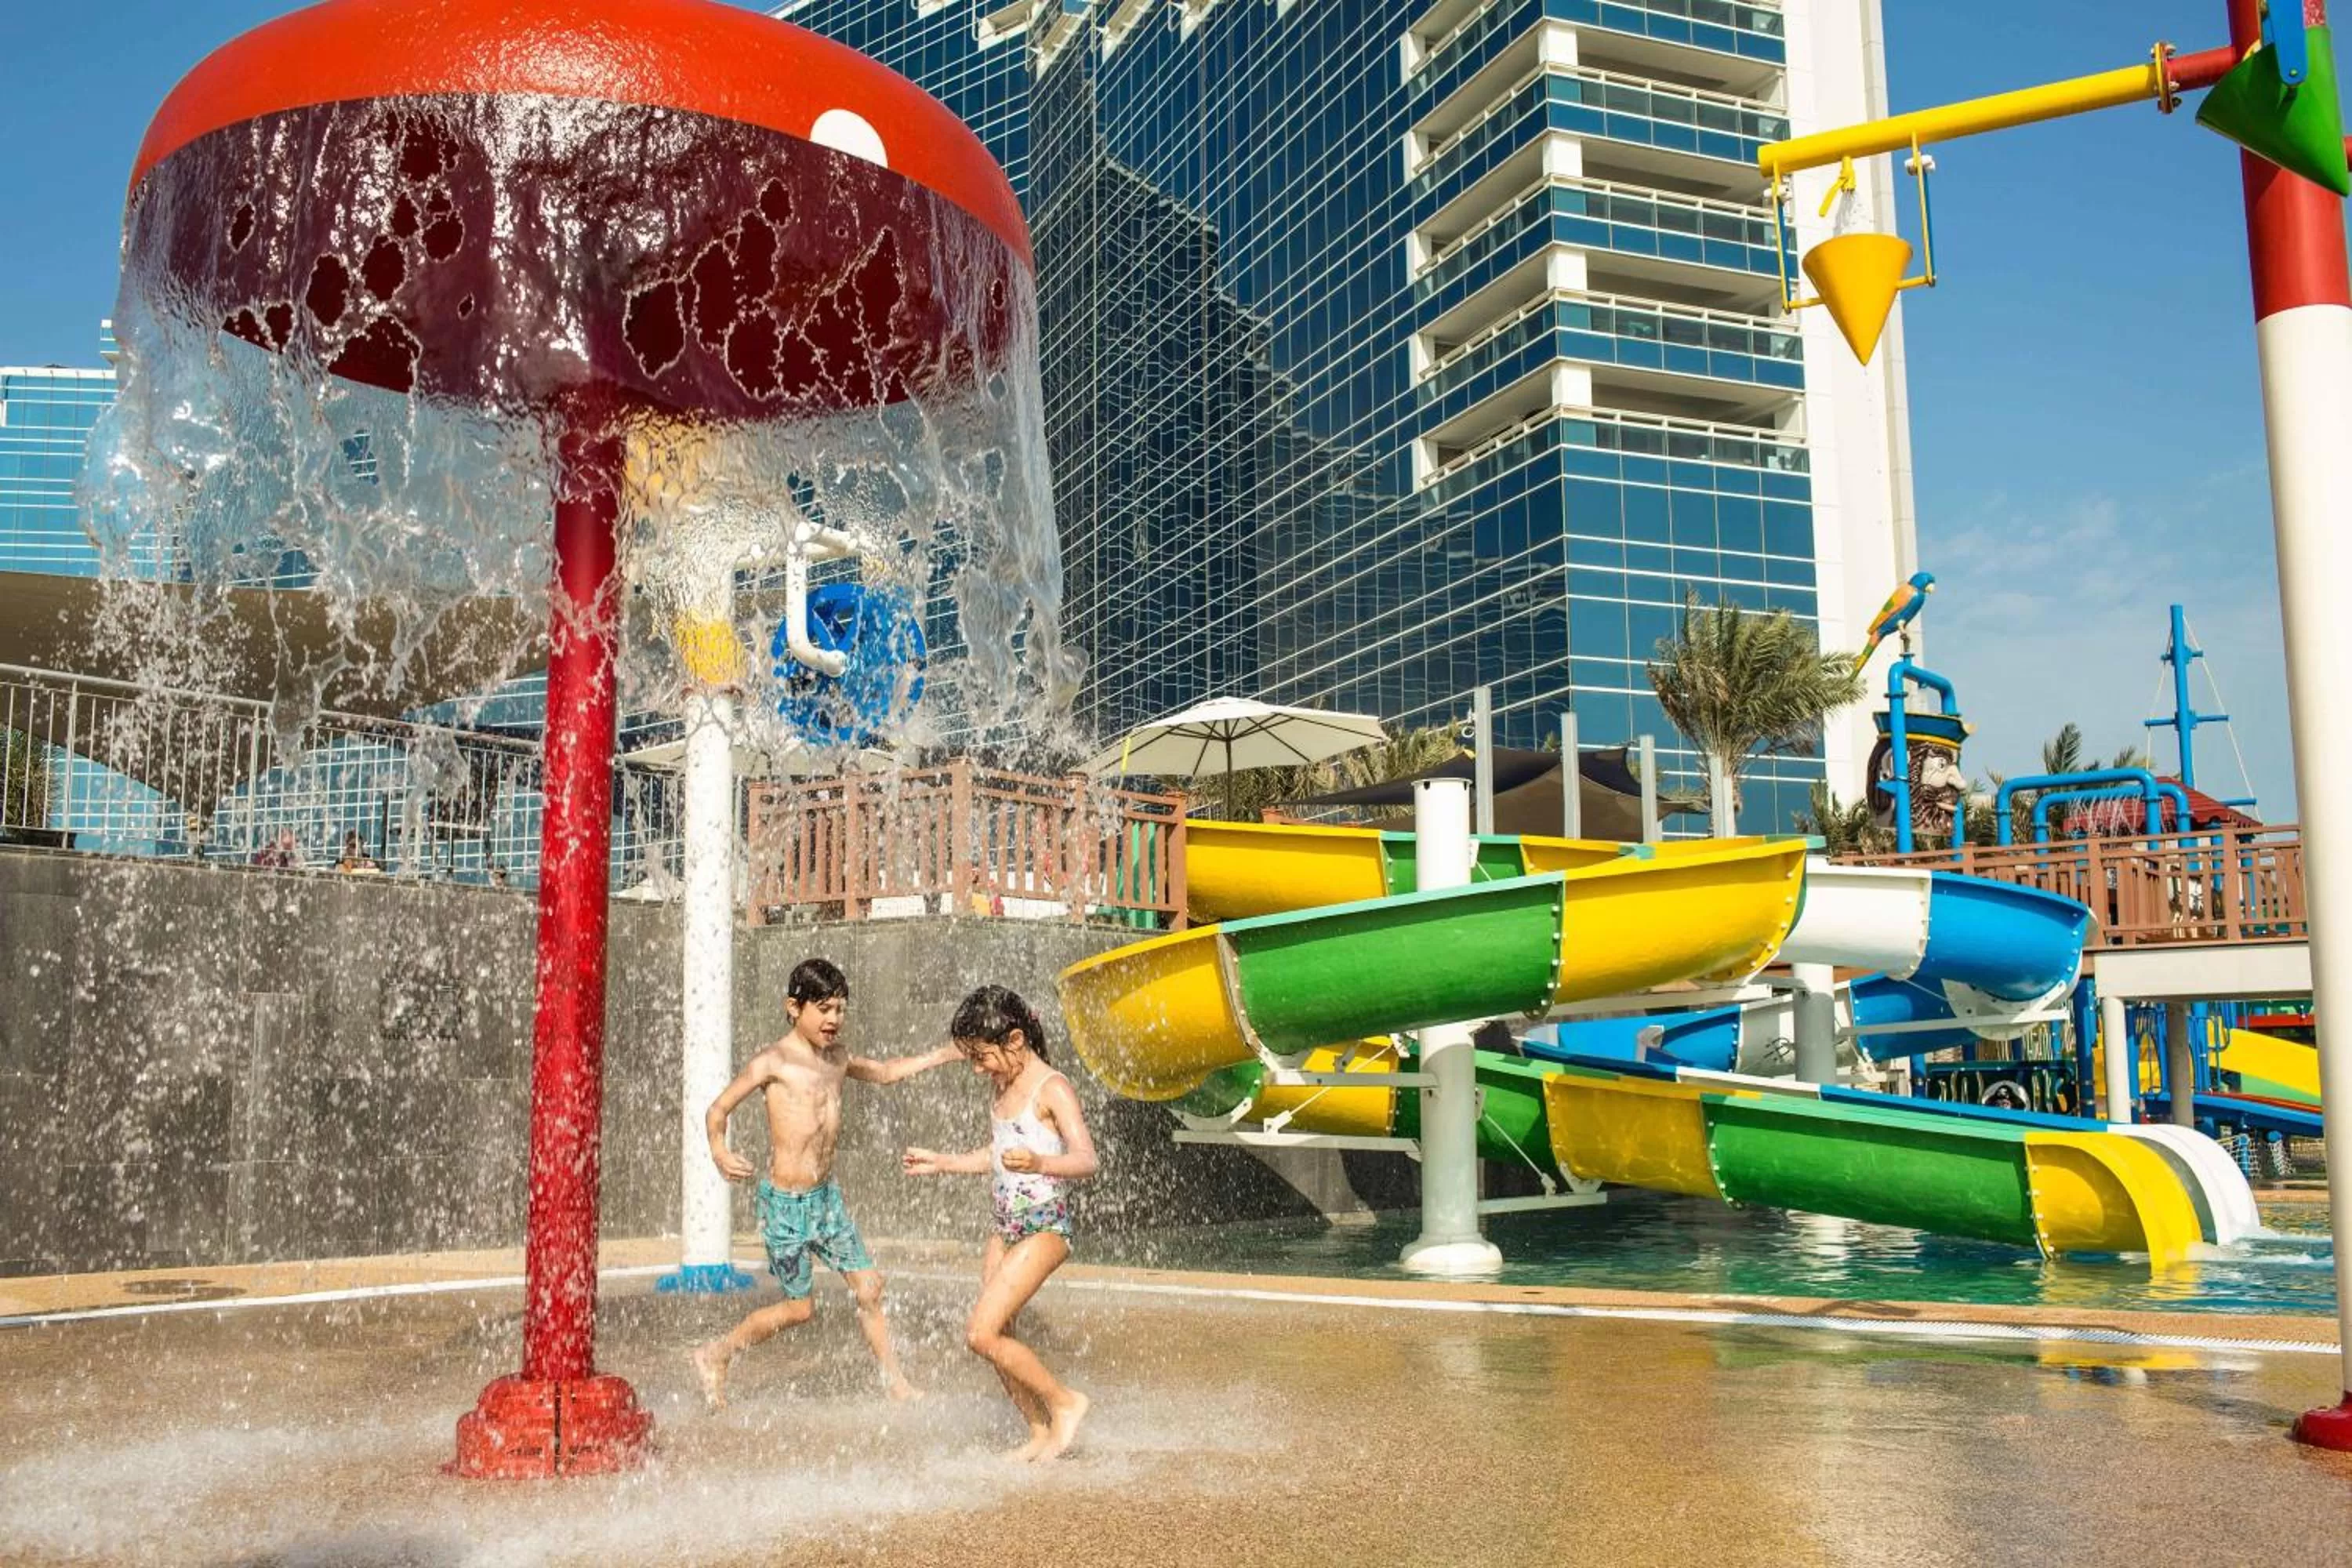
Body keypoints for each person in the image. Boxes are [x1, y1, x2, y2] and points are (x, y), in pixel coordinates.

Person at [689, 957, 959, 1410]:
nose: (834, 1019)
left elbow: (886, 1072)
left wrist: (944, 1054)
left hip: (825, 1200)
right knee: (800, 1309)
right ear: (793, 1008)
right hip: (785, 1205)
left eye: (840, 1009)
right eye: (824, 1009)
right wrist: (719, 1151)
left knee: (869, 1287)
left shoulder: (838, 1058)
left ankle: (896, 1383)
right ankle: (716, 1354)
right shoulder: (773, 1062)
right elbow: (718, 1110)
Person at [902, 985, 1098, 1462]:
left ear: (1015, 1040)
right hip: (1005, 1228)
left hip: (1044, 1225)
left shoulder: (1052, 1088)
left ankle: (1065, 1403)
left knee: (980, 1333)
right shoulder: (1003, 1086)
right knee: (997, 1338)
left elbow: (1086, 1159)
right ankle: (1038, 1431)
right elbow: (999, 1156)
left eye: (982, 1057)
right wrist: (944, 1162)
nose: (977, 1068)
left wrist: (1040, 1162)